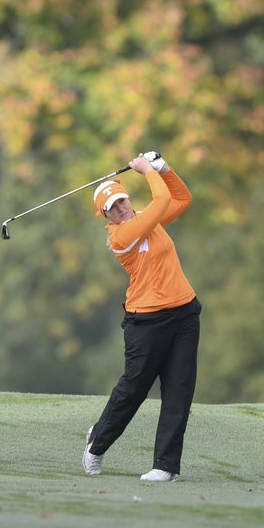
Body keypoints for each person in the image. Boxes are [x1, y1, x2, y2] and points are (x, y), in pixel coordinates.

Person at [83, 151, 202, 483]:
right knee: (134, 388)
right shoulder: (120, 236)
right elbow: (161, 198)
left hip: (184, 314)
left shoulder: (149, 217)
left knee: (179, 390)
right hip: (146, 322)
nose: (120, 209)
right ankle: (97, 443)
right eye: (112, 207)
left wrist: (163, 167)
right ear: (105, 215)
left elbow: (181, 198)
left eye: (121, 201)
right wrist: (148, 170)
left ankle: (166, 466)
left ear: (127, 198)